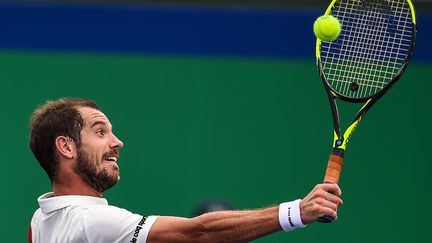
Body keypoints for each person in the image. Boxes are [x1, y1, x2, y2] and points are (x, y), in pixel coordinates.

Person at [28, 98, 343, 243]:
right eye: (100, 132)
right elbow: (200, 232)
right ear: (66, 147)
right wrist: (298, 211)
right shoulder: (92, 221)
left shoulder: (41, 219)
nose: (117, 142)